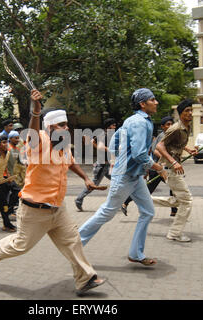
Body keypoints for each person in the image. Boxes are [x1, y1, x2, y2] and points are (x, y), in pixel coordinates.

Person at [0, 89, 107, 297]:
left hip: (58, 209)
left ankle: (85, 279)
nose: (66, 128)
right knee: (21, 245)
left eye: (66, 125)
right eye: (61, 125)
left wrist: (86, 178)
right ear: (49, 127)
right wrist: (36, 111)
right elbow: (33, 130)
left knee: (72, 241)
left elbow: (71, 162)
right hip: (34, 210)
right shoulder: (38, 143)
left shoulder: (64, 145)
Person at [78, 88, 168, 266]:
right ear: (143, 104)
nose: (156, 102)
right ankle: (74, 244)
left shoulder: (133, 121)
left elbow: (114, 146)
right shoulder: (139, 123)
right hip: (126, 177)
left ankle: (136, 253)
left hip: (135, 177)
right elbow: (139, 154)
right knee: (106, 213)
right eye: (153, 99)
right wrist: (158, 167)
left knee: (148, 211)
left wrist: (123, 158)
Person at [151, 99, 199, 242]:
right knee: (187, 201)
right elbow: (159, 146)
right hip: (170, 168)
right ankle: (174, 233)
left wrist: (188, 149)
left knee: (177, 200)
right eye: (187, 111)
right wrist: (173, 162)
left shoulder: (186, 127)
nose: (190, 113)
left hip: (172, 167)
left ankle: (145, 200)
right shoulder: (176, 128)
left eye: (191, 110)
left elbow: (176, 144)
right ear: (180, 113)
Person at [121, 116, 178, 217]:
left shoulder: (169, 135)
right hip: (159, 168)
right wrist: (167, 159)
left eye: (171, 124)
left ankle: (174, 209)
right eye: (167, 124)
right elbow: (155, 150)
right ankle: (126, 202)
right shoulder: (163, 136)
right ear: (163, 126)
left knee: (173, 186)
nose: (170, 126)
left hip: (163, 168)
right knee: (153, 189)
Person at [75, 118, 116, 211]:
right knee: (94, 185)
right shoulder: (105, 135)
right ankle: (79, 199)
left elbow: (93, 143)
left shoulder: (103, 134)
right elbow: (100, 146)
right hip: (102, 166)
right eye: (113, 125)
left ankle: (116, 202)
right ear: (108, 126)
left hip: (106, 165)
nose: (115, 126)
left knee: (117, 180)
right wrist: (111, 150)